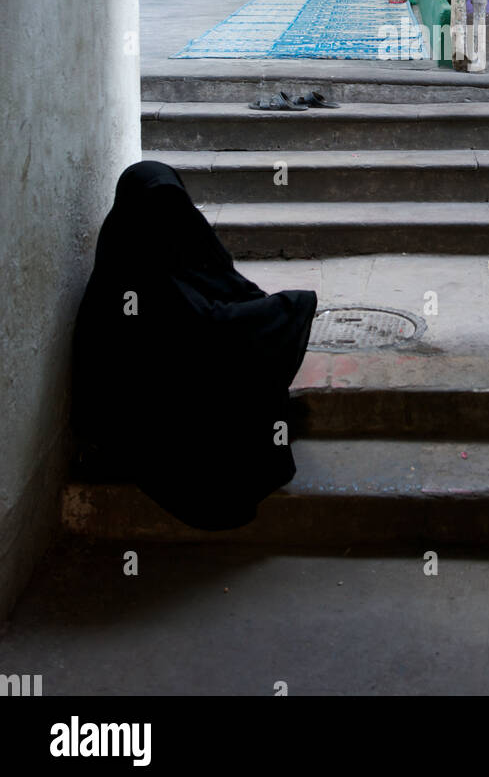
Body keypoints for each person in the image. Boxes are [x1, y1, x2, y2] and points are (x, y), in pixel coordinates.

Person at [71, 161, 317, 530]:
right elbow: (197, 332)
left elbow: (222, 281)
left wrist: (259, 307)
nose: (167, 214)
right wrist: (288, 309)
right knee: (245, 352)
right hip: (149, 415)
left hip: (178, 381)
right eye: (157, 205)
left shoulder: (167, 240)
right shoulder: (128, 280)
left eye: (173, 203)